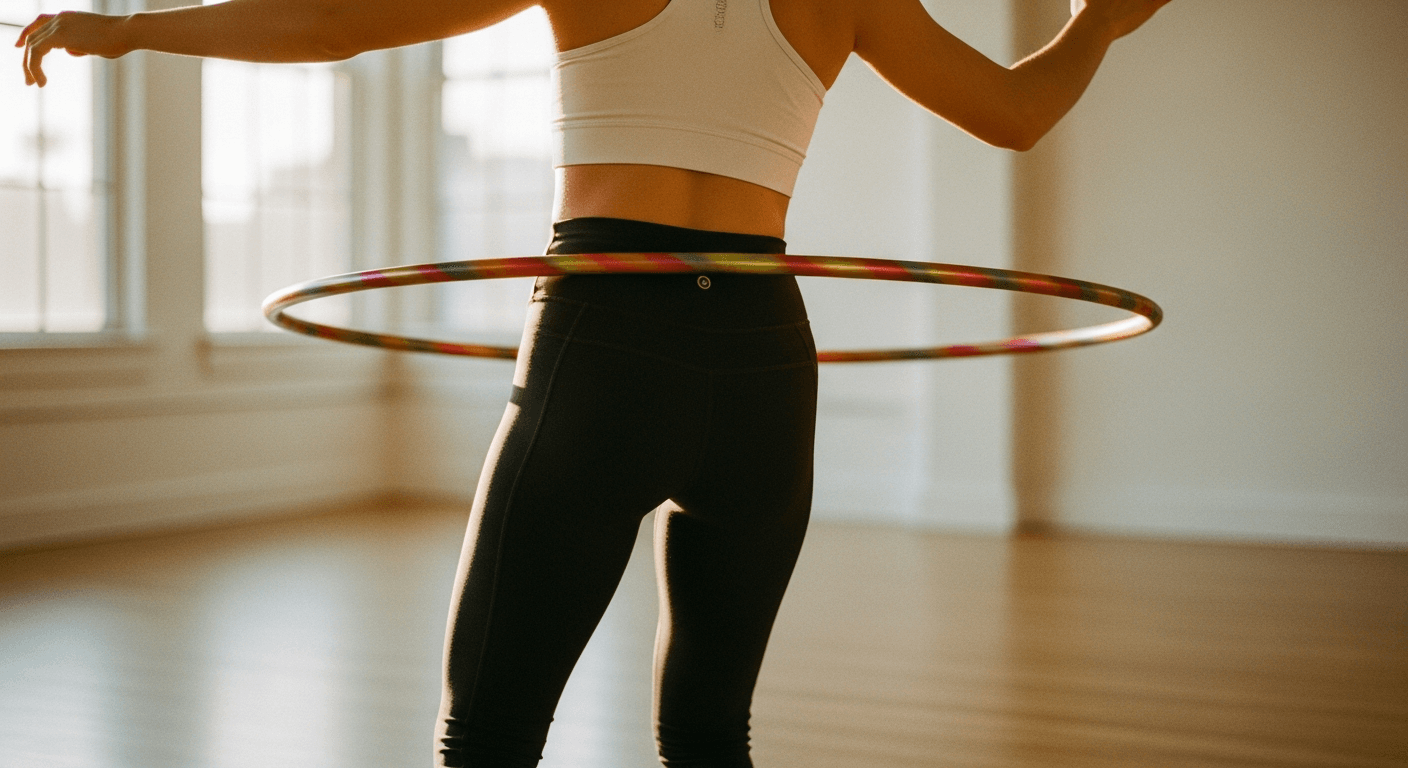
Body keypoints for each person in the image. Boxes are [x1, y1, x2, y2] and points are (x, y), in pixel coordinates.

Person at [18, 0, 1173, 765]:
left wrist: (130, 32)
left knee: (488, 740)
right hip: (765, 357)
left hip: (607, 343)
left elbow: (336, 20)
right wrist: (1096, 22)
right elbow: (1015, 114)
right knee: (711, 737)